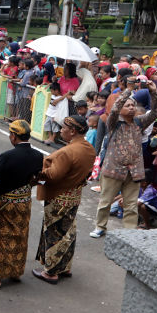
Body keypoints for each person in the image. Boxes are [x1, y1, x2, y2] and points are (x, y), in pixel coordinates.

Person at [91, 81, 157, 237]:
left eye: (133, 105)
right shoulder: (113, 122)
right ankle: (100, 226)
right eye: (127, 105)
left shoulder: (139, 122)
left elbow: (156, 111)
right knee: (105, 201)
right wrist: (128, 91)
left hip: (134, 170)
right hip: (113, 169)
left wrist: (154, 92)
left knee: (130, 204)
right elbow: (114, 109)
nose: (131, 107)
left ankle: (129, 233)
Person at [0, 120, 43, 289]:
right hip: (24, 201)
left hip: (5, 202)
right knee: (20, 236)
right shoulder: (38, 155)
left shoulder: (7, 156)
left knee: (2, 238)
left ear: (14, 136)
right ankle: (16, 271)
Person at [34, 116, 95, 283]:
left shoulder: (68, 152)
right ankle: (65, 267)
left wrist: (38, 172)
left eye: (63, 128)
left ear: (73, 131)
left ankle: (51, 272)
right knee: (68, 232)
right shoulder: (89, 149)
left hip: (58, 197)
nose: (60, 130)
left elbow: (53, 175)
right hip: (74, 196)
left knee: (55, 234)